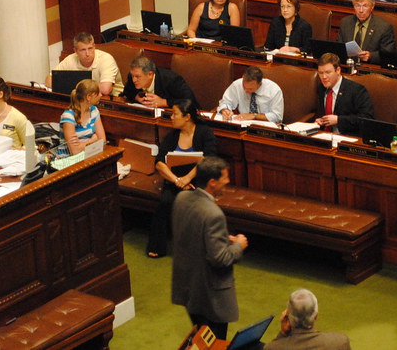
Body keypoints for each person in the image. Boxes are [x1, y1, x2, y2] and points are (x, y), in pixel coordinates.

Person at [171, 156, 248, 340]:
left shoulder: (182, 198)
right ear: (212, 182)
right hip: (210, 295)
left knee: (200, 338)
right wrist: (238, 246)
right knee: (214, 343)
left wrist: (221, 238)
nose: (228, 182)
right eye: (225, 178)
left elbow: (190, 233)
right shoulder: (214, 214)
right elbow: (219, 259)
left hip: (189, 288)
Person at [147, 99, 218, 258]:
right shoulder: (172, 136)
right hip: (175, 179)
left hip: (198, 179)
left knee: (193, 202)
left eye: (175, 114)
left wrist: (187, 178)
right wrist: (177, 180)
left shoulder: (204, 133)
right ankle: (157, 246)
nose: (171, 117)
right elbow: (159, 162)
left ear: (187, 117)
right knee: (165, 202)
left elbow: (208, 159)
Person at [264, 288, 351, 350]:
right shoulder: (339, 342)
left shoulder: (272, 347)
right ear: (316, 316)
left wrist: (282, 334)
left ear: (288, 317)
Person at [313, 53, 375, 135]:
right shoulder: (321, 88)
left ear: (338, 70)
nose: (324, 77)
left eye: (328, 72)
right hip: (324, 136)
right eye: (321, 73)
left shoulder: (356, 90)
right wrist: (320, 120)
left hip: (347, 137)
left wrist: (339, 120)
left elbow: (366, 119)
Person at [48, 32, 123, 96]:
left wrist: (71, 85)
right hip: (83, 99)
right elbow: (49, 80)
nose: (87, 54)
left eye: (90, 48)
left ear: (94, 46)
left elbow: (105, 89)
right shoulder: (70, 59)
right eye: (83, 50)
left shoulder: (106, 59)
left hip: (113, 100)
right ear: (76, 51)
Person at [337, 0, 395, 64]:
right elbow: (339, 47)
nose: (361, 10)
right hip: (347, 65)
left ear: (372, 7)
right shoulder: (345, 22)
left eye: (365, 6)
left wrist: (371, 56)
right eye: (357, 6)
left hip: (369, 68)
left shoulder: (383, 27)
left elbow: (388, 55)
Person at [122, 56, 198, 109]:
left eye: (138, 76)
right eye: (132, 76)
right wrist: (136, 97)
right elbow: (127, 91)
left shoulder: (171, 80)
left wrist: (164, 102)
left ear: (150, 74)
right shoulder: (133, 76)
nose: (134, 80)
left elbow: (190, 101)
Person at [217, 66, 284, 124]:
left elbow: (277, 116)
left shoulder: (274, 90)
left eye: (250, 89)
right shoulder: (237, 85)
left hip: (265, 128)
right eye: (244, 87)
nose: (246, 91)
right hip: (243, 125)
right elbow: (226, 101)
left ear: (260, 84)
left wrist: (254, 116)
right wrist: (225, 110)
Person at [58, 79, 107, 156]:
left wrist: (81, 145)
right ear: (89, 97)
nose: (101, 95)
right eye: (98, 93)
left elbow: (103, 141)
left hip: (89, 155)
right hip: (69, 160)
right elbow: (75, 151)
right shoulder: (68, 117)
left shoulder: (94, 111)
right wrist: (92, 140)